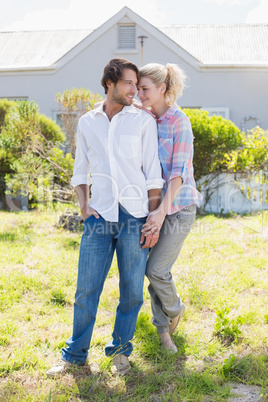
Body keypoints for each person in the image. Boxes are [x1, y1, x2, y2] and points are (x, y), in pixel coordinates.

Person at [46, 58, 164, 377]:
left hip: (135, 215)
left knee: (130, 291)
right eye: (128, 83)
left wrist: (154, 217)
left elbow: (153, 174)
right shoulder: (87, 122)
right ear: (109, 83)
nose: (134, 90)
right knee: (86, 288)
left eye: (136, 84)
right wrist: (84, 206)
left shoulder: (142, 121)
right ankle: (75, 355)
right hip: (99, 215)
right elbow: (80, 170)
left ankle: (121, 352)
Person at [137, 63, 203, 353]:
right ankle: (164, 334)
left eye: (145, 89)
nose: (139, 93)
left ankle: (175, 309)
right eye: (137, 88)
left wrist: (162, 211)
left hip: (179, 208)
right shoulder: (147, 119)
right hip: (154, 207)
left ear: (163, 89)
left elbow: (178, 173)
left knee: (156, 269)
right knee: (152, 272)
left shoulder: (179, 121)